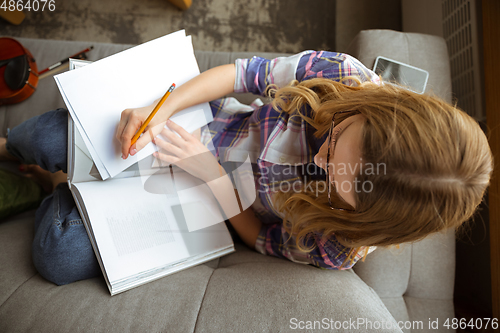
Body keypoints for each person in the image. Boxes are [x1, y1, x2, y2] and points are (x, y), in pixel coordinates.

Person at [1, 51, 493, 285]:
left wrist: (211, 176)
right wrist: (163, 109)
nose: (318, 160)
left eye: (336, 182)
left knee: (58, 256)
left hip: (208, 205)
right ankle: (35, 163)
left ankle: (54, 181)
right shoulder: (341, 77)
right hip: (208, 124)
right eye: (336, 139)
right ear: (378, 107)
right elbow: (241, 75)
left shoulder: (341, 244)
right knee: (35, 138)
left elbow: (260, 238)